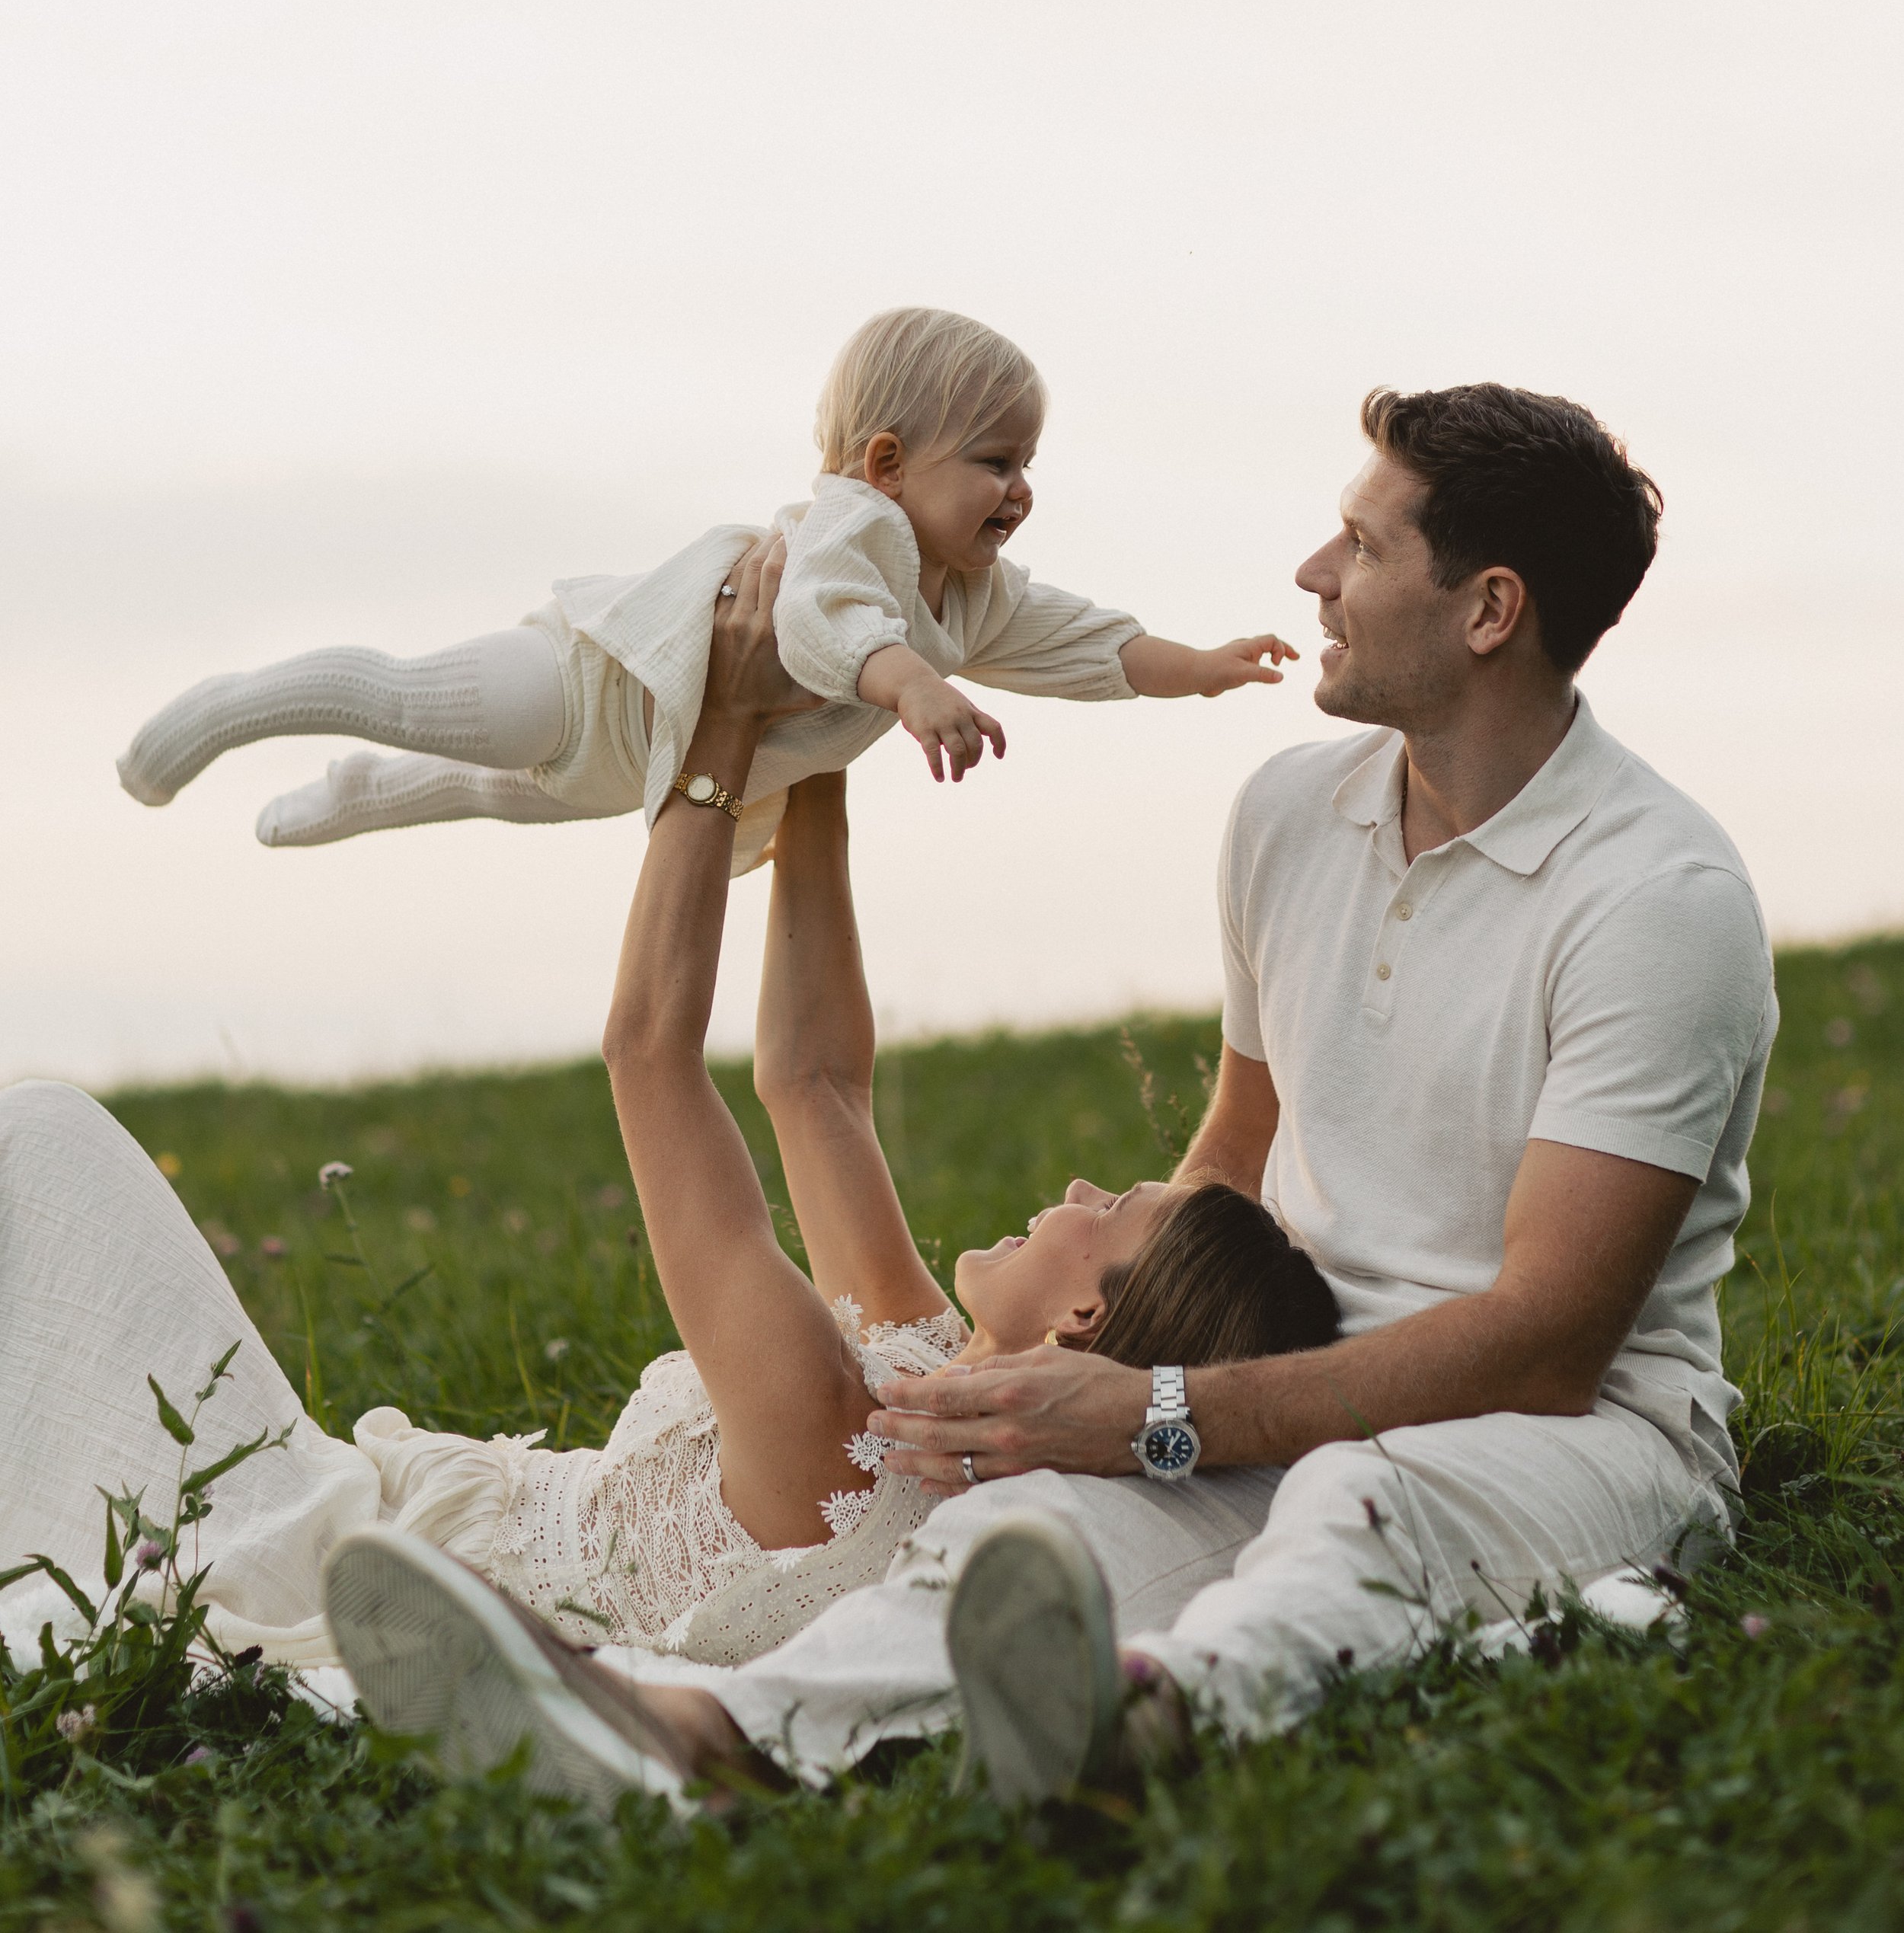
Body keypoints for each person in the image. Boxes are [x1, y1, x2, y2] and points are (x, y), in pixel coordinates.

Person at [340, 381, 1775, 1813]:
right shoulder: (1291, 816)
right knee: (1019, 1531)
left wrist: (1161, 1410)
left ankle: (1148, 1722)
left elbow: (1546, 1343)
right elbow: (1237, 1146)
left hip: (1565, 1430)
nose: (1313, 575)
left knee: (1354, 1505)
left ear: (1489, 609)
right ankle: (686, 1733)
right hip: (1283, 1383)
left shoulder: (1656, 900)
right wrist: (1119, 1353)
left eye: (1365, 544)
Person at [2, 542, 1337, 1818]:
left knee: (47, 1143)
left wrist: (718, 744)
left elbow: (650, 1057)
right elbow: (815, 1080)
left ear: (1083, 1327)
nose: (1081, 1184)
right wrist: (825, 716)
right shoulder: (923, 1378)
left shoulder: (839, 1434)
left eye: (1111, 1217)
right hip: (364, 1502)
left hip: (302, 1536)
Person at [114, 305, 1293, 866]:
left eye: (1029, 463)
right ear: (887, 464)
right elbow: (825, 622)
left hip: (663, 758)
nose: (1021, 488)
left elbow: (1080, 640)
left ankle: (365, 794)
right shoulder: (852, 528)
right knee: (416, 695)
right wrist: (912, 686)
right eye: (997, 462)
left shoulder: (968, 592)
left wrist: (1200, 671)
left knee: (494, 795)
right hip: (603, 679)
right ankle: (232, 705)